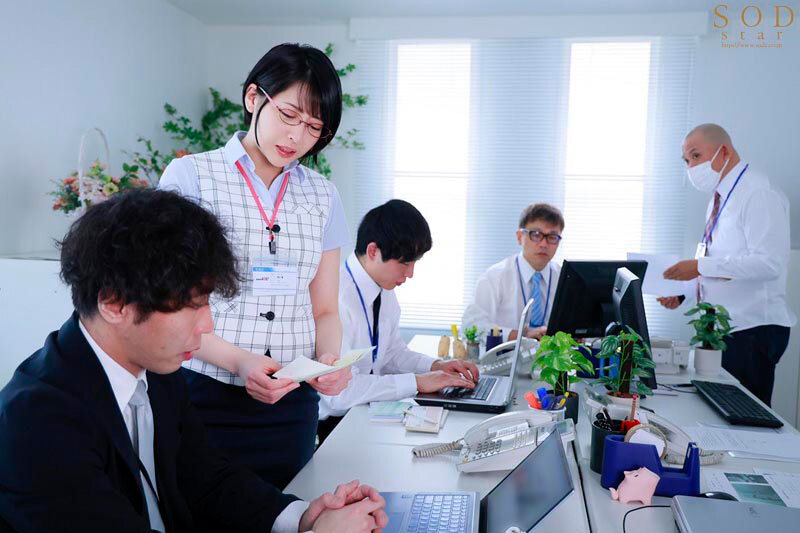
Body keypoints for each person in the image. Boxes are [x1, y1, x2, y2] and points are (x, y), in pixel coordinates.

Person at [0, 190, 387, 533]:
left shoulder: (158, 372)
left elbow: (207, 479)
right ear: (114, 303)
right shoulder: (36, 419)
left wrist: (304, 517)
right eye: (191, 306)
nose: (207, 326)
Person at [159, 43, 352, 488]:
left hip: (290, 404)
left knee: (287, 506)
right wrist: (240, 362)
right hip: (203, 395)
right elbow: (171, 305)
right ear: (253, 98)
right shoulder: (191, 177)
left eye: (314, 127)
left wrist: (328, 361)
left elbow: (324, 308)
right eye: (288, 115)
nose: (297, 137)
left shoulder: (324, 195)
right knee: (199, 507)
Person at [317, 200, 479, 441]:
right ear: (373, 251)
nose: (410, 273)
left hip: (366, 416)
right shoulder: (336, 298)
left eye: (415, 263)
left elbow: (391, 354)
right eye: (405, 262)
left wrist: (436, 366)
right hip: (334, 427)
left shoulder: (383, 289)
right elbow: (339, 393)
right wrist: (418, 382)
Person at [659, 123, 795, 406]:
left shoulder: (758, 192)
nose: (691, 166)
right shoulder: (719, 197)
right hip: (723, 328)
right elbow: (719, 257)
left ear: (724, 152)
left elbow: (768, 263)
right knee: (721, 411)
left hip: (752, 328)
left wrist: (699, 267)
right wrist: (685, 293)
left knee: (746, 415)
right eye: (686, 160)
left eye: (696, 156)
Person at [462, 203, 565, 342]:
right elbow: (471, 326)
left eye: (552, 237)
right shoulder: (495, 277)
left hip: (553, 354)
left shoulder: (564, 278)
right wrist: (519, 337)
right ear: (519, 237)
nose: (543, 244)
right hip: (506, 354)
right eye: (536, 235)